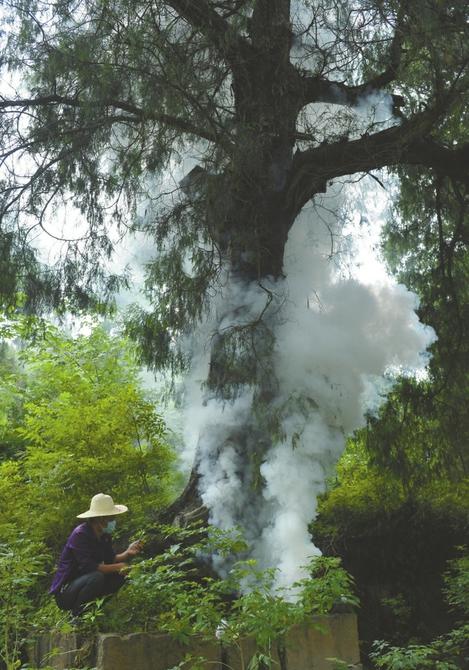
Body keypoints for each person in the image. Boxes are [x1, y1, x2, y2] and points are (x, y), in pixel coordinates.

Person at [49, 493, 143, 616]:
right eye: (112, 518)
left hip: (86, 581)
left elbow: (110, 559)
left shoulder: (104, 536)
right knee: (97, 576)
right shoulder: (80, 535)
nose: (114, 522)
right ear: (101, 519)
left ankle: (92, 612)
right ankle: (78, 616)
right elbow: (90, 567)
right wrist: (119, 566)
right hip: (66, 591)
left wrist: (127, 553)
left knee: (120, 576)